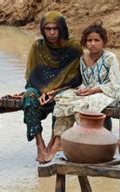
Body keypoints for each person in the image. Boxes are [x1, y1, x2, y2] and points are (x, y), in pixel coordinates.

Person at [48, 21, 120, 161]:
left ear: (103, 42)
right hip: (87, 91)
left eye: (97, 40)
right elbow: (84, 82)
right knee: (63, 99)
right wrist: (82, 90)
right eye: (89, 40)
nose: (93, 43)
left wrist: (93, 90)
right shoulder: (83, 58)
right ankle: (60, 140)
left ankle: (87, 140)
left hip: (106, 93)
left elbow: (115, 85)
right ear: (85, 42)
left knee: (83, 106)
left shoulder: (110, 58)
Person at [21, 11, 83, 164]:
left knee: (63, 99)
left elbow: (76, 79)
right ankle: (39, 143)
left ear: (62, 29)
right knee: (29, 96)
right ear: (43, 30)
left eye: (56, 28)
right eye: (48, 29)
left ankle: (54, 141)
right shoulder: (38, 46)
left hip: (65, 89)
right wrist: (42, 91)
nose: (52, 32)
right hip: (39, 88)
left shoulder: (73, 47)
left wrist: (54, 91)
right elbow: (32, 77)